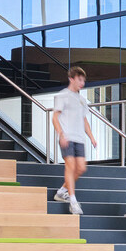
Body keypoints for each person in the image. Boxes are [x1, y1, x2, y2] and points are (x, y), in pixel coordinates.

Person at [51, 66, 98, 216]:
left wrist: (91, 137)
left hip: (80, 139)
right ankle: (73, 201)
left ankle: (62, 191)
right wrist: (61, 134)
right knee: (70, 166)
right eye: (79, 79)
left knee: (81, 169)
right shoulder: (62, 96)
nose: (82, 83)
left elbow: (85, 121)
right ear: (71, 79)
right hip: (67, 137)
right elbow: (55, 117)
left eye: (84, 80)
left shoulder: (82, 100)